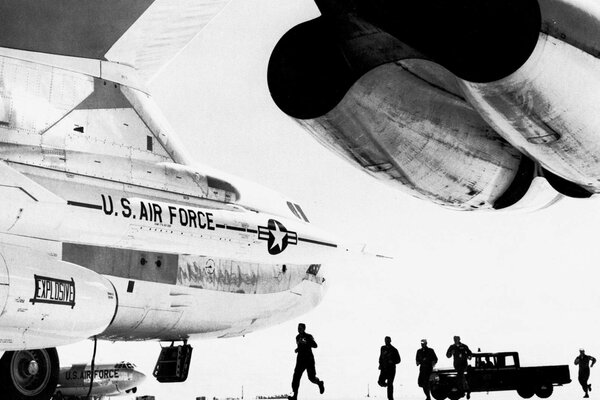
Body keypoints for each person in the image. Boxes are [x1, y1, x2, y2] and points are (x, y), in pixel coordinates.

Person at [289, 323, 324, 400]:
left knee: (311, 378)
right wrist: (297, 349)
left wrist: (307, 341)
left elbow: (315, 345)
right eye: (298, 328)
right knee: (296, 378)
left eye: (300, 328)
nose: (299, 329)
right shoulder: (297, 337)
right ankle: (294, 396)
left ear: (304, 329)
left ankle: (319, 383)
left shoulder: (309, 336)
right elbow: (300, 347)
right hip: (300, 361)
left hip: (309, 360)